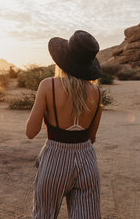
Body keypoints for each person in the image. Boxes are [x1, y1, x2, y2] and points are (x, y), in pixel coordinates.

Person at [26, 30, 103, 219]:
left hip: (54, 161)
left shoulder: (47, 85)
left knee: (44, 215)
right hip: (86, 161)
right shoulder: (97, 93)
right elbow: (91, 137)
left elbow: (30, 132)